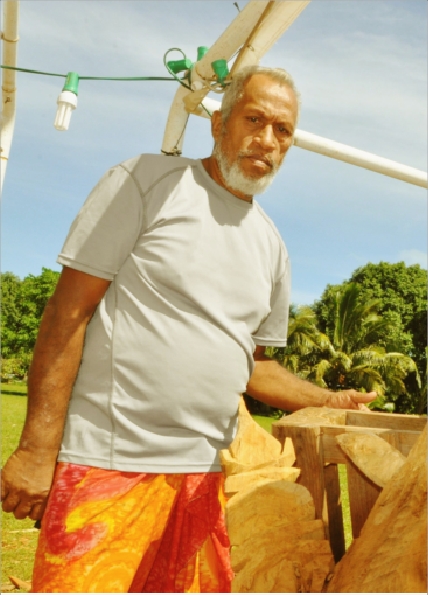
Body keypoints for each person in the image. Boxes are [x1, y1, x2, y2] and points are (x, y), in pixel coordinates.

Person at [1, 65, 375, 593]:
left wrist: (326, 400)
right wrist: (37, 450)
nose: (266, 140)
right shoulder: (145, 183)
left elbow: (254, 365)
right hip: (108, 465)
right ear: (219, 123)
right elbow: (68, 313)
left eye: (282, 130)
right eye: (254, 119)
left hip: (203, 478)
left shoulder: (271, 246)